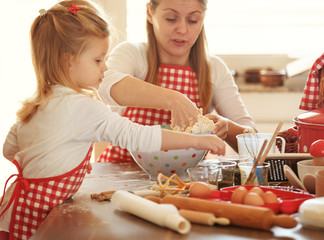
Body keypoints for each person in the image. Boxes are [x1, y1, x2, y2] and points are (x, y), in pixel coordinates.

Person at [0, 1, 225, 239]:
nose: (105, 68)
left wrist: (60, 157)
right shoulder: (85, 108)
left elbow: (9, 150)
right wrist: (199, 142)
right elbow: (139, 136)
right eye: (98, 60)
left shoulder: (33, 106)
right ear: (68, 60)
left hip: (12, 211)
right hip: (36, 219)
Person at [97, 0, 257, 162]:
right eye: (171, 19)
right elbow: (105, 84)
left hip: (186, 183)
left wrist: (228, 128)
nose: (182, 29)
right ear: (149, 13)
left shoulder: (214, 69)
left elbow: (257, 144)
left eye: (193, 20)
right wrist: (174, 99)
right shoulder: (133, 54)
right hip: (122, 176)